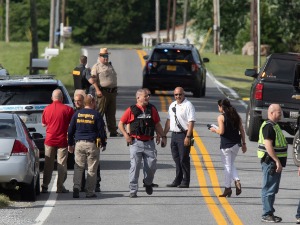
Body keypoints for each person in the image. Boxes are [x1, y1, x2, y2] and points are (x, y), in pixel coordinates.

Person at [118, 89, 166, 198]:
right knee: (135, 166)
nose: (148, 98)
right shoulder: (131, 110)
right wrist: (126, 135)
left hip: (149, 143)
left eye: (148, 96)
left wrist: (163, 136)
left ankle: (148, 182)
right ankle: (133, 190)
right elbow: (121, 124)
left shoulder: (152, 109)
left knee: (151, 166)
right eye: (145, 96)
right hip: (136, 142)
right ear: (138, 98)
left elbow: (157, 124)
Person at [68, 94, 107, 198]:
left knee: (78, 167)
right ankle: (89, 192)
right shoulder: (96, 114)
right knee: (92, 168)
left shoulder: (77, 114)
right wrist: (103, 143)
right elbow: (101, 131)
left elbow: (70, 130)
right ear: (92, 102)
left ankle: (76, 186)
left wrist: (70, 144)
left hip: (79, 143)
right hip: (92, 144)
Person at [209, 99, 247, 197]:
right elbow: (242, 130)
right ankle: (237, 180)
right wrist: (244, 143)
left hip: (226, 145)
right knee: (230, 163)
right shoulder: (236, 116)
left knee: (227, 166)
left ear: (221, 107)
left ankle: (227, 188)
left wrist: (214, 129)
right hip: (236, 144)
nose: (218, 108)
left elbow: (221, 132)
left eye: (219, 106)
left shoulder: (221, 117)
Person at [258, 104, 288, 223]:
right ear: (271, 113)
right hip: (270, 162)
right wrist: (276, 161)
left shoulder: (274, 126)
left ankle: (269, 212)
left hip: (273, 163)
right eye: (279, 112)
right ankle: (267, 214)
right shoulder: (269, 127)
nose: (281, 114)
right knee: (269, 189)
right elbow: (268, 145)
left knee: (272, 189)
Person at [41, 89, 74, 193]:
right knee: (62, 163)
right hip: (62, 140)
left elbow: (44, 124)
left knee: (48, 164)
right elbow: (72, 125)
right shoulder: (68, 109)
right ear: (62, 98)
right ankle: (60, 186)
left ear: (52, 98)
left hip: (50, 140)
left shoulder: (47, 109)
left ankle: (45, 186)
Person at [163, 87, 195, 188]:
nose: (178, 96)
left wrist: (188, 137)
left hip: (185, 134)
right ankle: (178, 179)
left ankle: (186, 181)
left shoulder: (188, 105)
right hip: (174, 135)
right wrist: (164, 134)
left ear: (183, 94)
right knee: (176, 158)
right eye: (176, 95)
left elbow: (191, 122)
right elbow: (169, 121)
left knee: (184, 158)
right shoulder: (172, 105)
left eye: (180, 94)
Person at [90, 48, 122, 137]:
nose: (106, 58)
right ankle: (96, 131)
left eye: (107, 56)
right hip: (103, 93)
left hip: (112, 92)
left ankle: (113, 131)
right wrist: (97, 90)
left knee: (111, 113)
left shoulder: (109, 65)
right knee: (100, 113)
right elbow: (93, 80)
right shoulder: (97, 66)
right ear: (99, 56)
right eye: (104, 56)